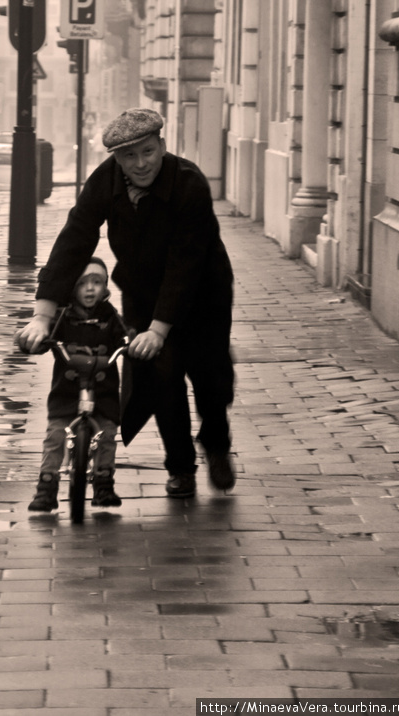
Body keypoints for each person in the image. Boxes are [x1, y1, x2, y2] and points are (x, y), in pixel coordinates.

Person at [19, 107, 236, 499]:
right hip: (142, 293)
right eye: (129, 156)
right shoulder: (106, 181)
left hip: (205, 293)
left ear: (162, 146)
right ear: (116, 159)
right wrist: (42, 315)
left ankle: (217, 444)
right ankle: (181, 468)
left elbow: (185, 263)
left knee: (210, 381)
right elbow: (75, 239)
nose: (140, 164)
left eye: (148, 152)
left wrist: (160, 328)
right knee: (161, 379)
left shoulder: (189, 184)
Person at [24, 257, 128, 512]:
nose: (90, 288)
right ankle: (47, 487)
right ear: (72, 287)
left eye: (97, 282)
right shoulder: (62, 317)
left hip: (103, 393)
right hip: (66, 393)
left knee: (106, 434)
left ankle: (104, 483)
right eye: (83, 283)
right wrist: (36, 341)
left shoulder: (111, 316)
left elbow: (126, 334)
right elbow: (44, 335)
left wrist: (132, 343)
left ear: (105, 288)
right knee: (56, 436)